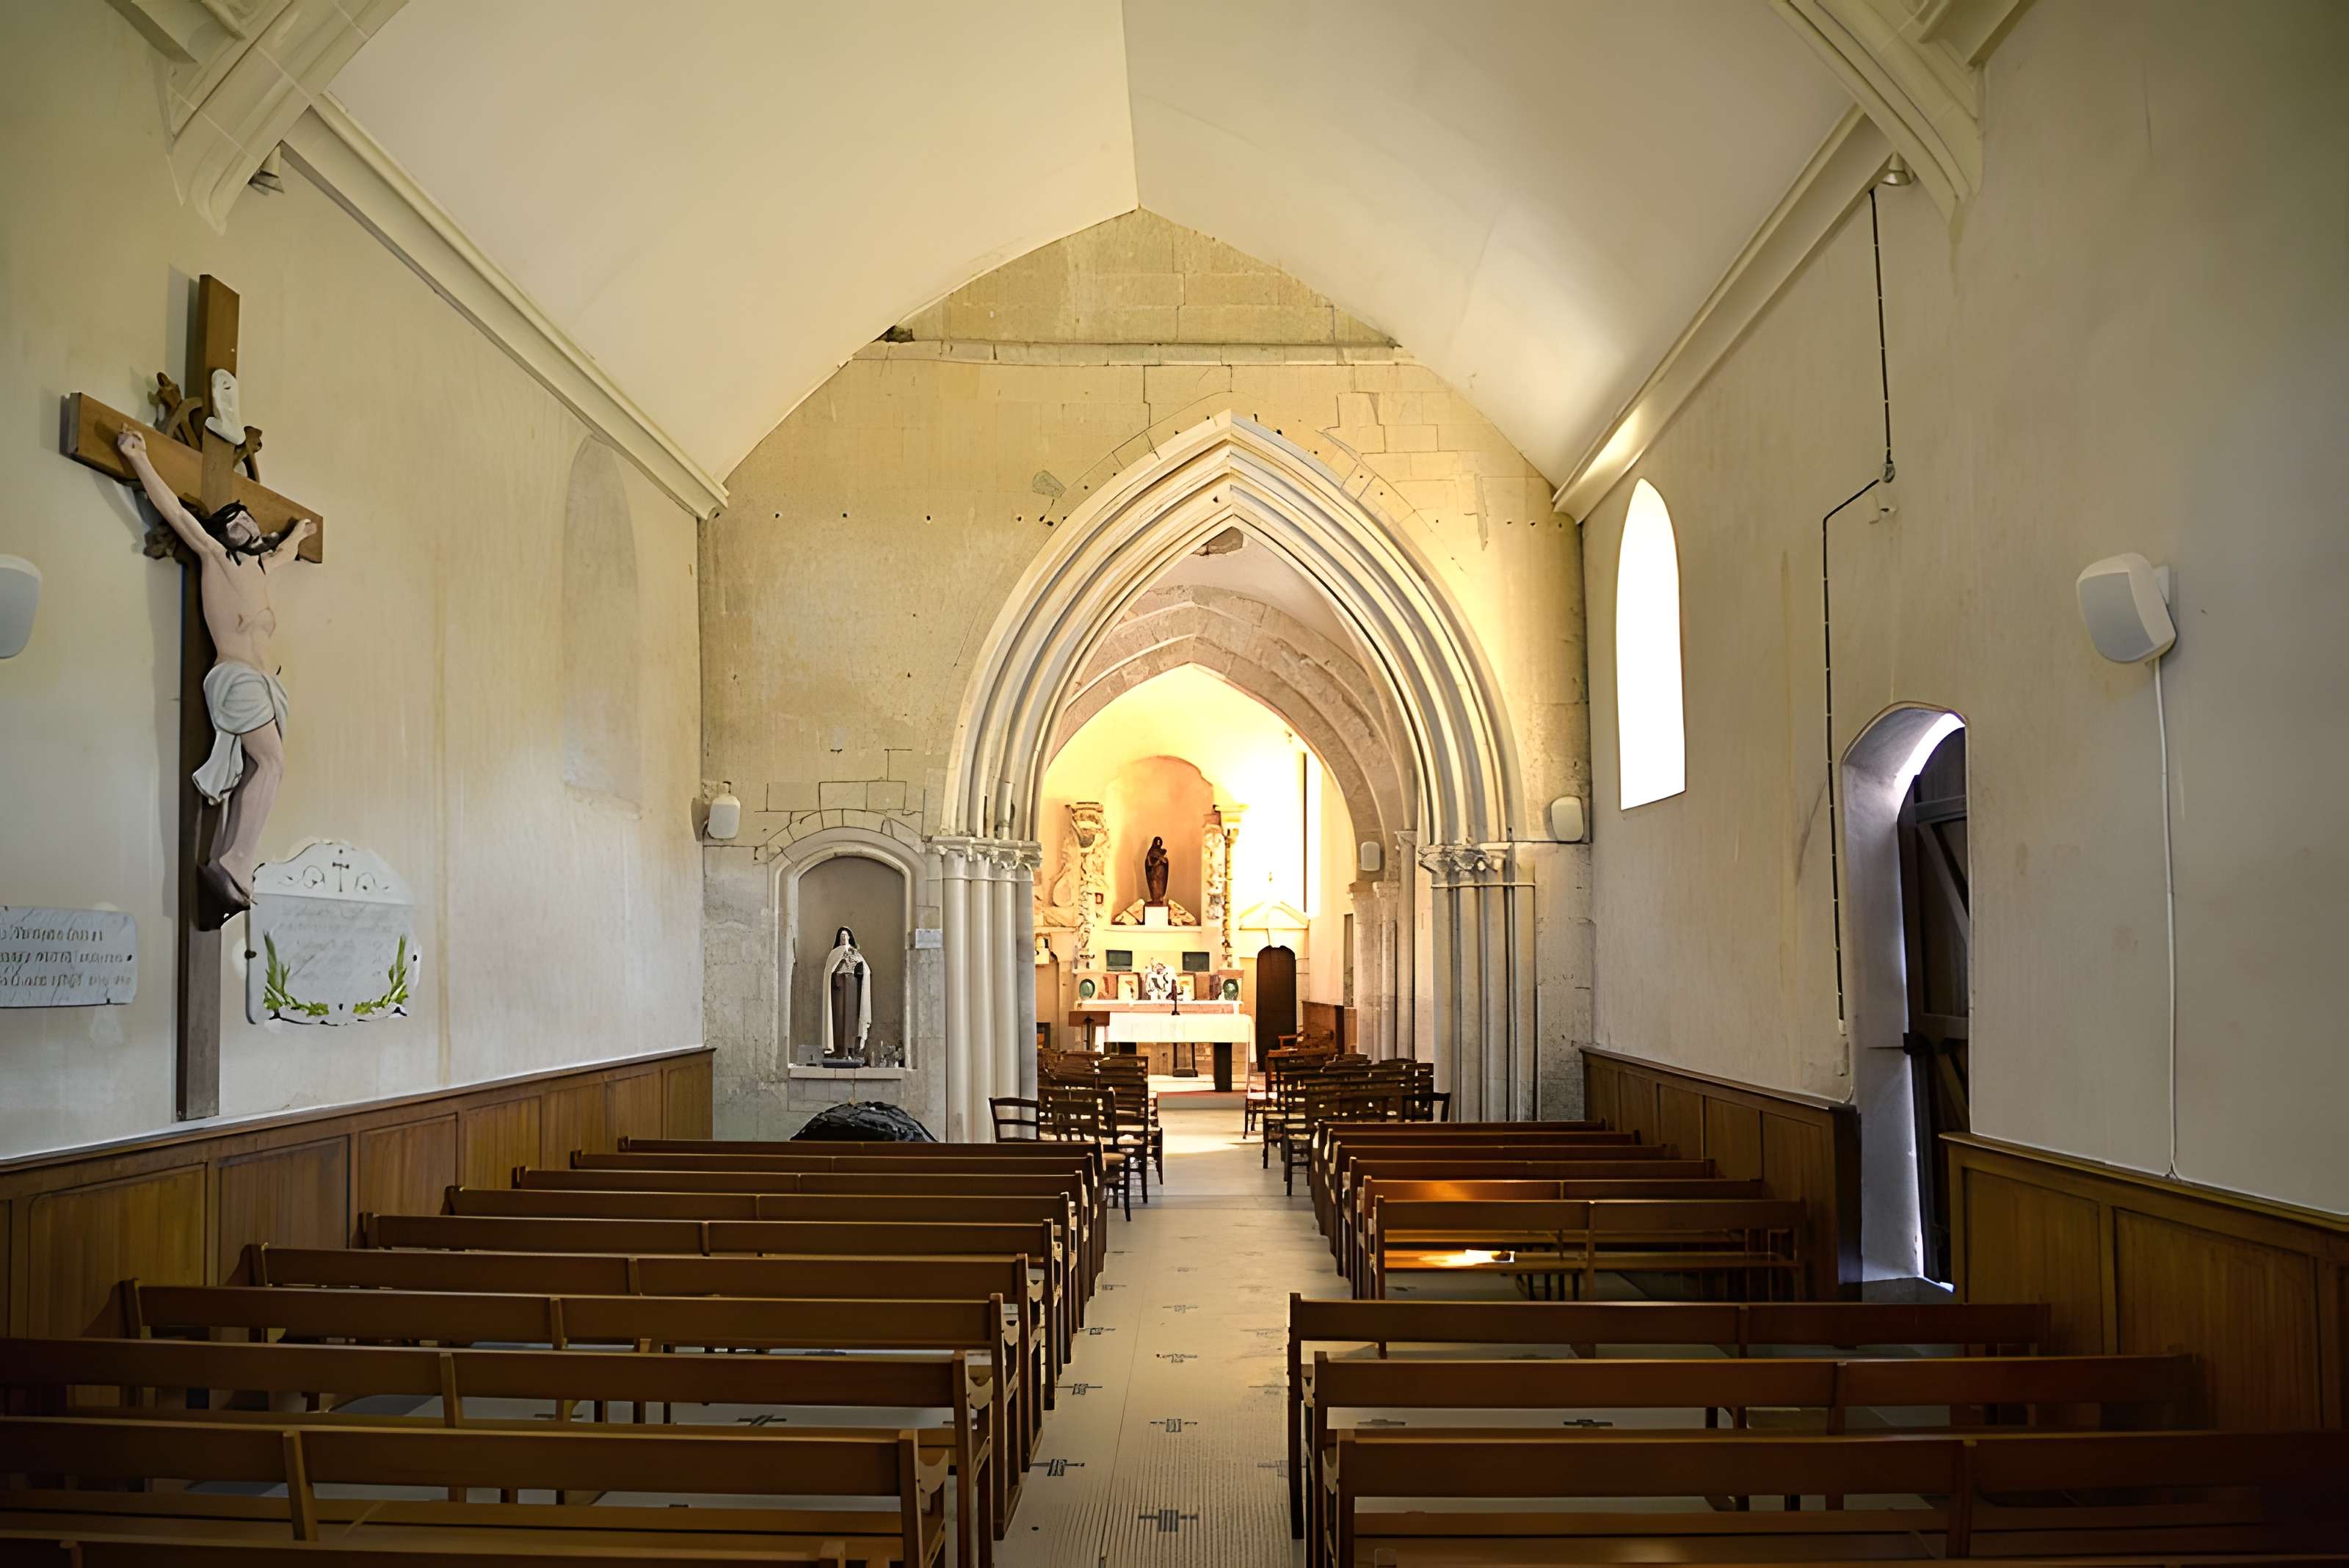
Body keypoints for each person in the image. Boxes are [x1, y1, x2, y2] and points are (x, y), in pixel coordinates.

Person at [116, 428, 313, 913]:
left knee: (257, 768)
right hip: (236, 678)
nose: (243, 525)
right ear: (223, 533)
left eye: (247, 519)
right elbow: (178, 514)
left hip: (268, 685)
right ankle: (237, 864)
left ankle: (226, 863)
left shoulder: (263, 568)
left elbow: (287, 550)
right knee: (271, 763)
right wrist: (139, 459)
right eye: (234, 522)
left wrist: (302, 533)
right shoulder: (215, 558)